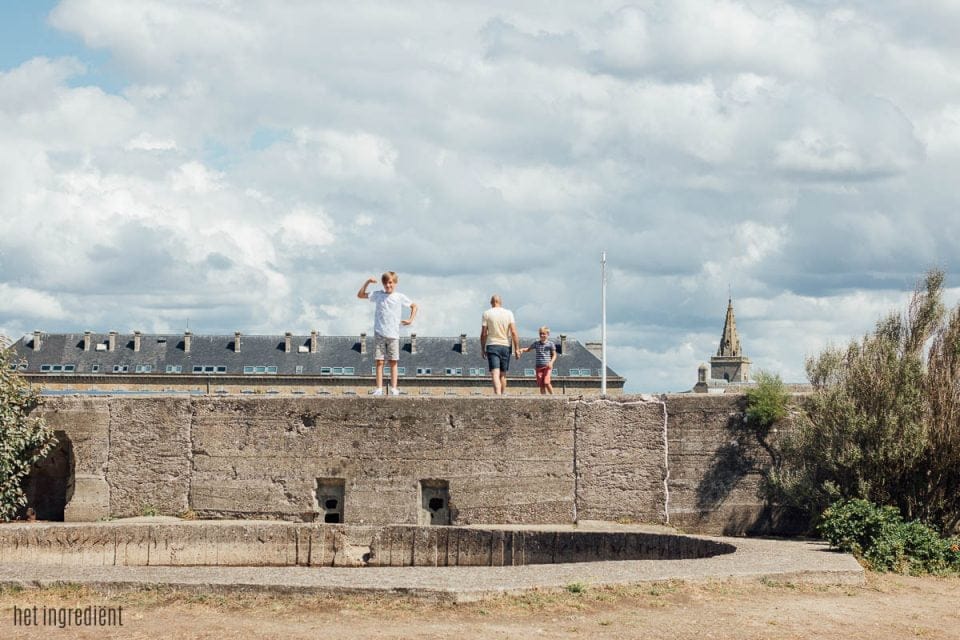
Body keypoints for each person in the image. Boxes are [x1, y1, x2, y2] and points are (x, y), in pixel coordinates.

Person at [357, 271, 417, 396]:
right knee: (379, 361)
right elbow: (360, 295)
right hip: (379, 332)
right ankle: (379, 388)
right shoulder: (378, 295)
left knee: (393, 361)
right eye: (385, 283)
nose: (388, 285)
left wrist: (411, 319)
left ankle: (394, 388)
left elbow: (414, 306)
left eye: (390, 283)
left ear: (395, 283)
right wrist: (368, 282)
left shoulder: (399, 296)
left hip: (393, 333)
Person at [480, 294, 519, 395]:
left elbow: (484, 333)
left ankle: (497, 396)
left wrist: (482, 348)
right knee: (503, 375)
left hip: (492, 345)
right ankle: (502, 396)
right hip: (505, 345)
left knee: (495, 373)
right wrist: (517, 349)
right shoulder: (509, 313)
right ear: (501, 302)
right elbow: (514, 332)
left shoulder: (487, 313)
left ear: (491, 303)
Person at [519, 326, 557, 395]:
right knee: (541, 384)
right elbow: (529, 349)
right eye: (540, 334)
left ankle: (553, 396)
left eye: (544, 334)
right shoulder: (536, 343)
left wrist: (551, 362)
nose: (542, 335)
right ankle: (543, 398)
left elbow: (554, 355)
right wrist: (522, 349)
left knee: (546, 382)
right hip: (539, 367)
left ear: (548, 334)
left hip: (547, 367)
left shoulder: (550, 344)